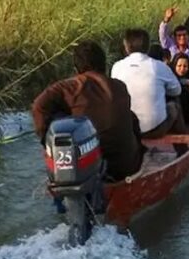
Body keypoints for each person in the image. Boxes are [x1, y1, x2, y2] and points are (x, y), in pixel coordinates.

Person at [31, 41, 143, 181]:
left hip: (90, 169)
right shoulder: (120, 86)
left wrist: (47, 143)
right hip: (127, 167)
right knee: (130, 116)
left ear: (76, 68)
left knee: (59, 118)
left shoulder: (70, 87)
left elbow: (38, 107)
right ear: (104, 64)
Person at [111, 28, 187, 138]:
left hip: (128, 129)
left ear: (126, 47)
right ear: (147, 47)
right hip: (154, 129)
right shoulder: (159, 66)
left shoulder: (117, 67)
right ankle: (183, 145)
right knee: (174, 106)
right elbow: (177, 90)